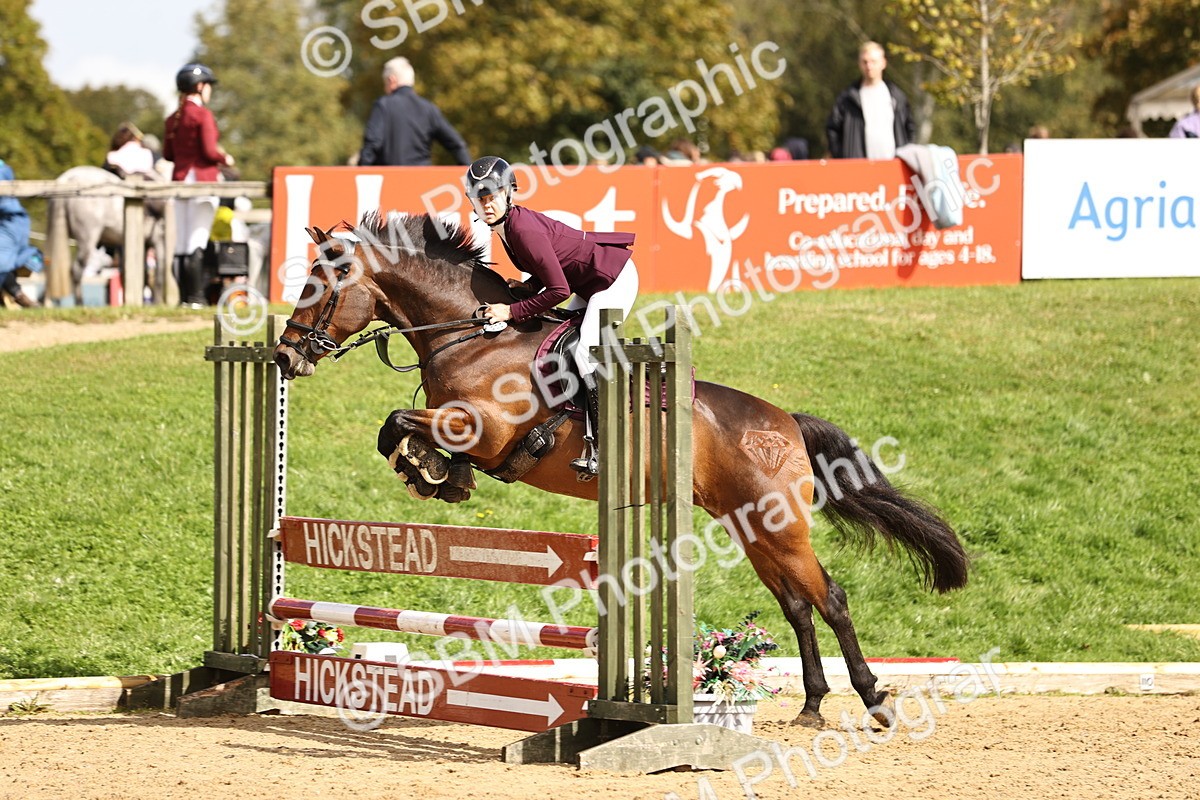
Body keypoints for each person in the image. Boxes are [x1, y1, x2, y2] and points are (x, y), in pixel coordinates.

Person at [465, 156, 638, 476]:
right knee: (557, 340)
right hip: (587, 283)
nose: (487, 204)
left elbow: (559, 290)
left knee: (585, 352)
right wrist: (528, 287)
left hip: (612, 280)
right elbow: (551, 267)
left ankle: (605, 448)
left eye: (492, 196)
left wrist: (511, 310)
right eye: (480, 198)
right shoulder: (507, 226)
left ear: (507, 193)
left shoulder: (521, 229)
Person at [163, 62, 234, 307]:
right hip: (201, 180)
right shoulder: (203, 115)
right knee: (197, 239)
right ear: (200, 86)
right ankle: (195, 298)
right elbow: (209, 151)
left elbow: (168, 154)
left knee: (181, 242)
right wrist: (225, 158)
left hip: (180, 181)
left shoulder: (172, 118)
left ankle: (184, 298)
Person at [359, 57, 472, 167]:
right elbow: (457, 145)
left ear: (391, 80)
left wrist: (360, 172)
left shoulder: (383, 105)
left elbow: (372, 143)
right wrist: (469, 175)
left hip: (391, 177)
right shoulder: (429, 109)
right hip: (423, 178)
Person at [826, 41, 915, 159]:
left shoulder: (897, 97)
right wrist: (843, 156)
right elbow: (833, 131)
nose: (869, 66)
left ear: (883, 63)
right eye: (865, 62)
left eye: (873, 61)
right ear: (859, 64)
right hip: (859, 167)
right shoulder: (846, 99)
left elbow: (909, 129)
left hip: (893, 165)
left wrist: (905, 157)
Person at [0, 157, 44, 308]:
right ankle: (19, 296)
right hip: (11, 222)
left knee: (2, 264)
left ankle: (19, 296)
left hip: (9, 222)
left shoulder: (2, 171)